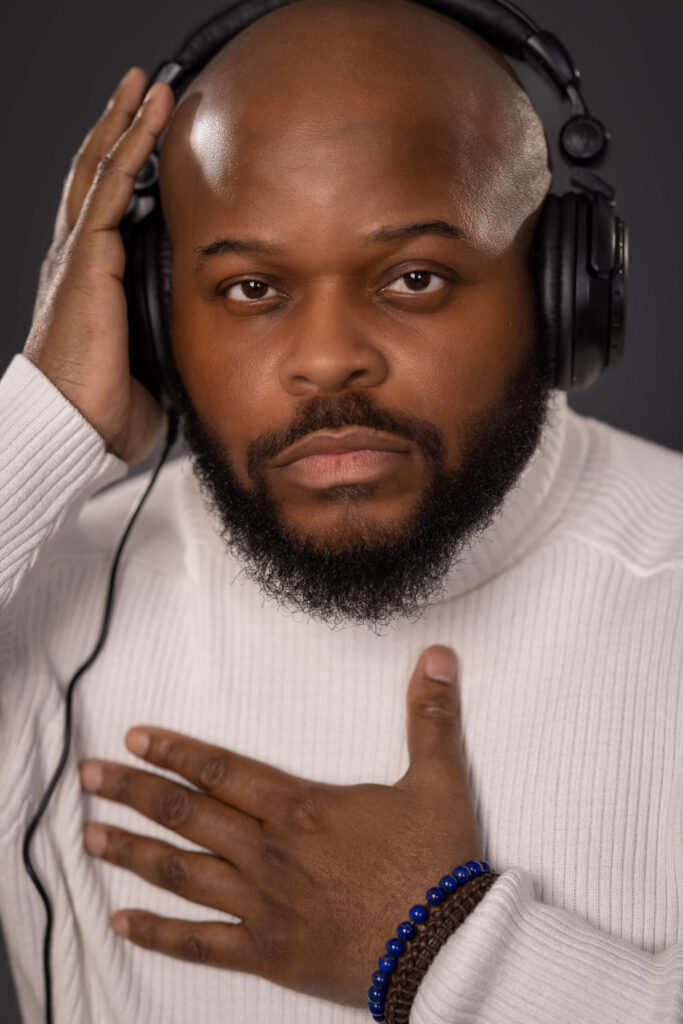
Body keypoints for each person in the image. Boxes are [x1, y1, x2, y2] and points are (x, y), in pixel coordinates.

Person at [0, 0, 681, 1021]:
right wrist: (42, 420)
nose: (326, 359)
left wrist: (442, 953)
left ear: (561, 295)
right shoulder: (40, 598)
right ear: (153, 316)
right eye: (250, 288)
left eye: (414, 277)